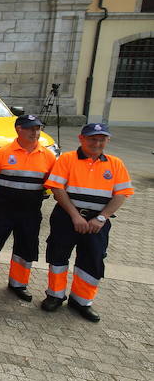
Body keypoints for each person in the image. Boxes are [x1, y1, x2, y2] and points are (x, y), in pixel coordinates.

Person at [41, 123, 134, 322]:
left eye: (102, 139)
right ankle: (54, 295)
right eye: (92, 138)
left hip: (97, 222)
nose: (97, 143)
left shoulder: (115, 163)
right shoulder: (67, 159)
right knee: (58, 255)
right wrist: (75, 216)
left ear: (107, 141)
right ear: (81, 139)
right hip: (67, 217)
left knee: (92, 260)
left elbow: (122, 194)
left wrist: (101, 218)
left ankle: (81, 301)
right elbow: (57, 189)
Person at [0, 115, 56, 301]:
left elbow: (51, 182)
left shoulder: (48, 156)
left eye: (37, 128)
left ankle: (18, 284)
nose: (35, 133)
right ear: (19, 129)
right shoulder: (2, 153)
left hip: (30, 210)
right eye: (30, 129)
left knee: (26, 247)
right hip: (3, 208)